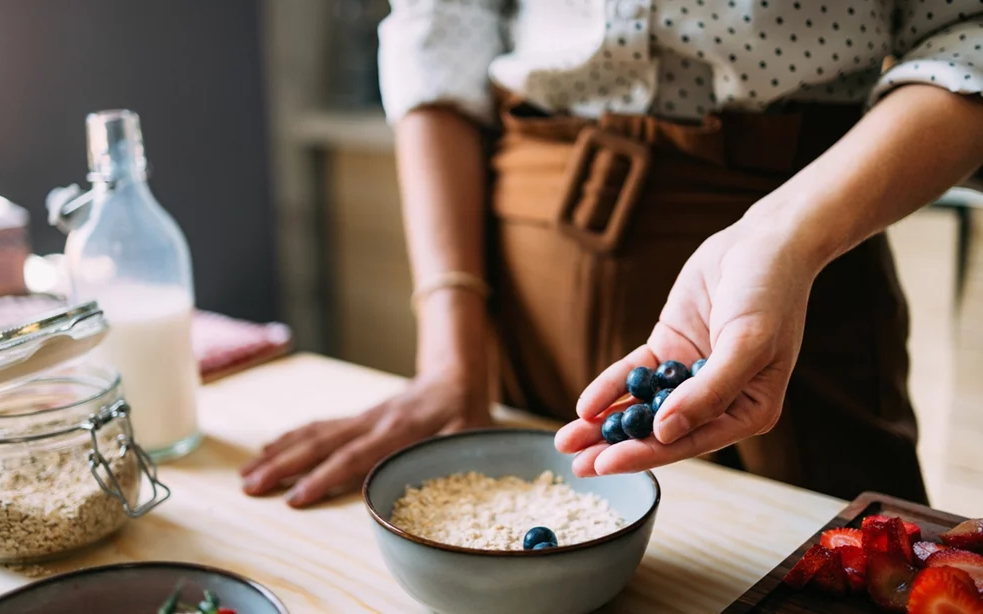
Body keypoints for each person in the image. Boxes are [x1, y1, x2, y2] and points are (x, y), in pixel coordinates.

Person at [242, 0, 983, 508]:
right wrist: (448, 357)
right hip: (516, 270)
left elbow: (968, 38)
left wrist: (781, 234)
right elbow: (439, 28)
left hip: (796, 261)